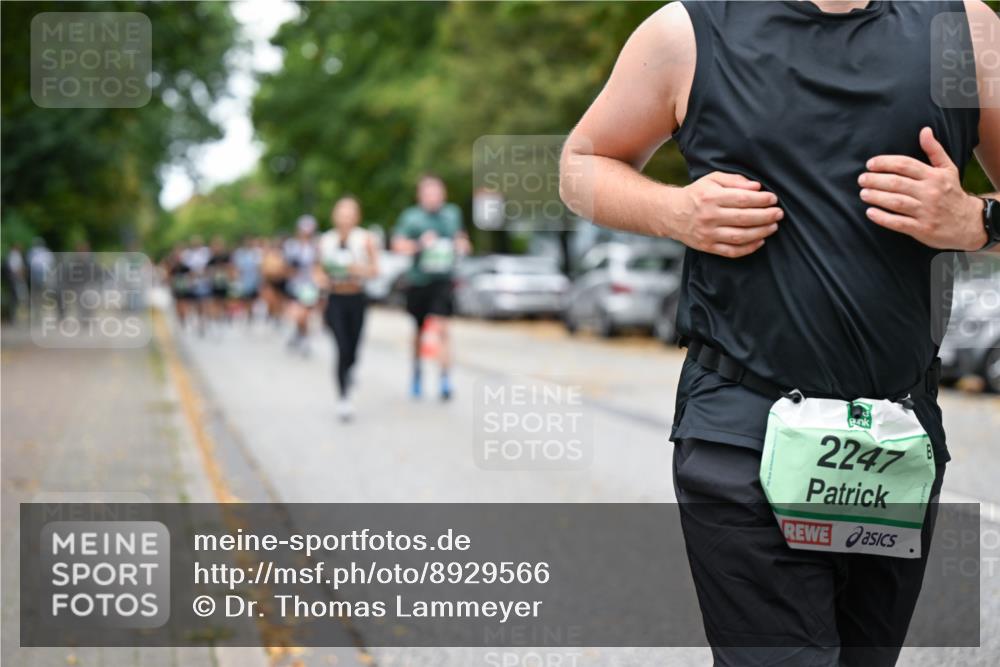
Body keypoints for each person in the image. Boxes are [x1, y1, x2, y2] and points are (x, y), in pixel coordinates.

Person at [560, 1, 998, 665]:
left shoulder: (961, 29)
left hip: (889, 441)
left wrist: (978, 220)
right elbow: (580, 164)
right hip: (743, 428)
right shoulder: (689, 30)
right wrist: (674, 209)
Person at [391, 174, 471, 400]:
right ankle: (417, 371)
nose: (434, 197)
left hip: (443, 280)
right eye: (429, 193)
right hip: (418, 282)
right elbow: (397, 245)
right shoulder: (411, 217)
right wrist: (419, 244)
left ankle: (445, 379)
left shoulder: (452, 213)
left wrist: (461, 244)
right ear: (421, 196)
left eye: (438, 192)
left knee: (443, 329)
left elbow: (462, 238)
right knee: (419, 331)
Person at [314, 196, 379, 421]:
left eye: (350, 213)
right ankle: (343, 398)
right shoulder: (326, 241)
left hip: (357, 298)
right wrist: (322, 280)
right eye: (342, 213)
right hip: (335, 300)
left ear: (356, 216)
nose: (346, 218)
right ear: (335, 216)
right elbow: (318, 270)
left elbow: (375, 270)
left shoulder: (365, 239)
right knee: (341, 347)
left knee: (353, 348)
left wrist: (357, 269)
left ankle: (350, 371)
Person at [284, 215, 320, 355]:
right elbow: (287, 267)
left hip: (309, 286)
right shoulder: (292, 246)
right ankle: (299, 333)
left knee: (304, 315)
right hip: (294, 285)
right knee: (297, 314)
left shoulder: (316, 246)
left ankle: (303, 337)